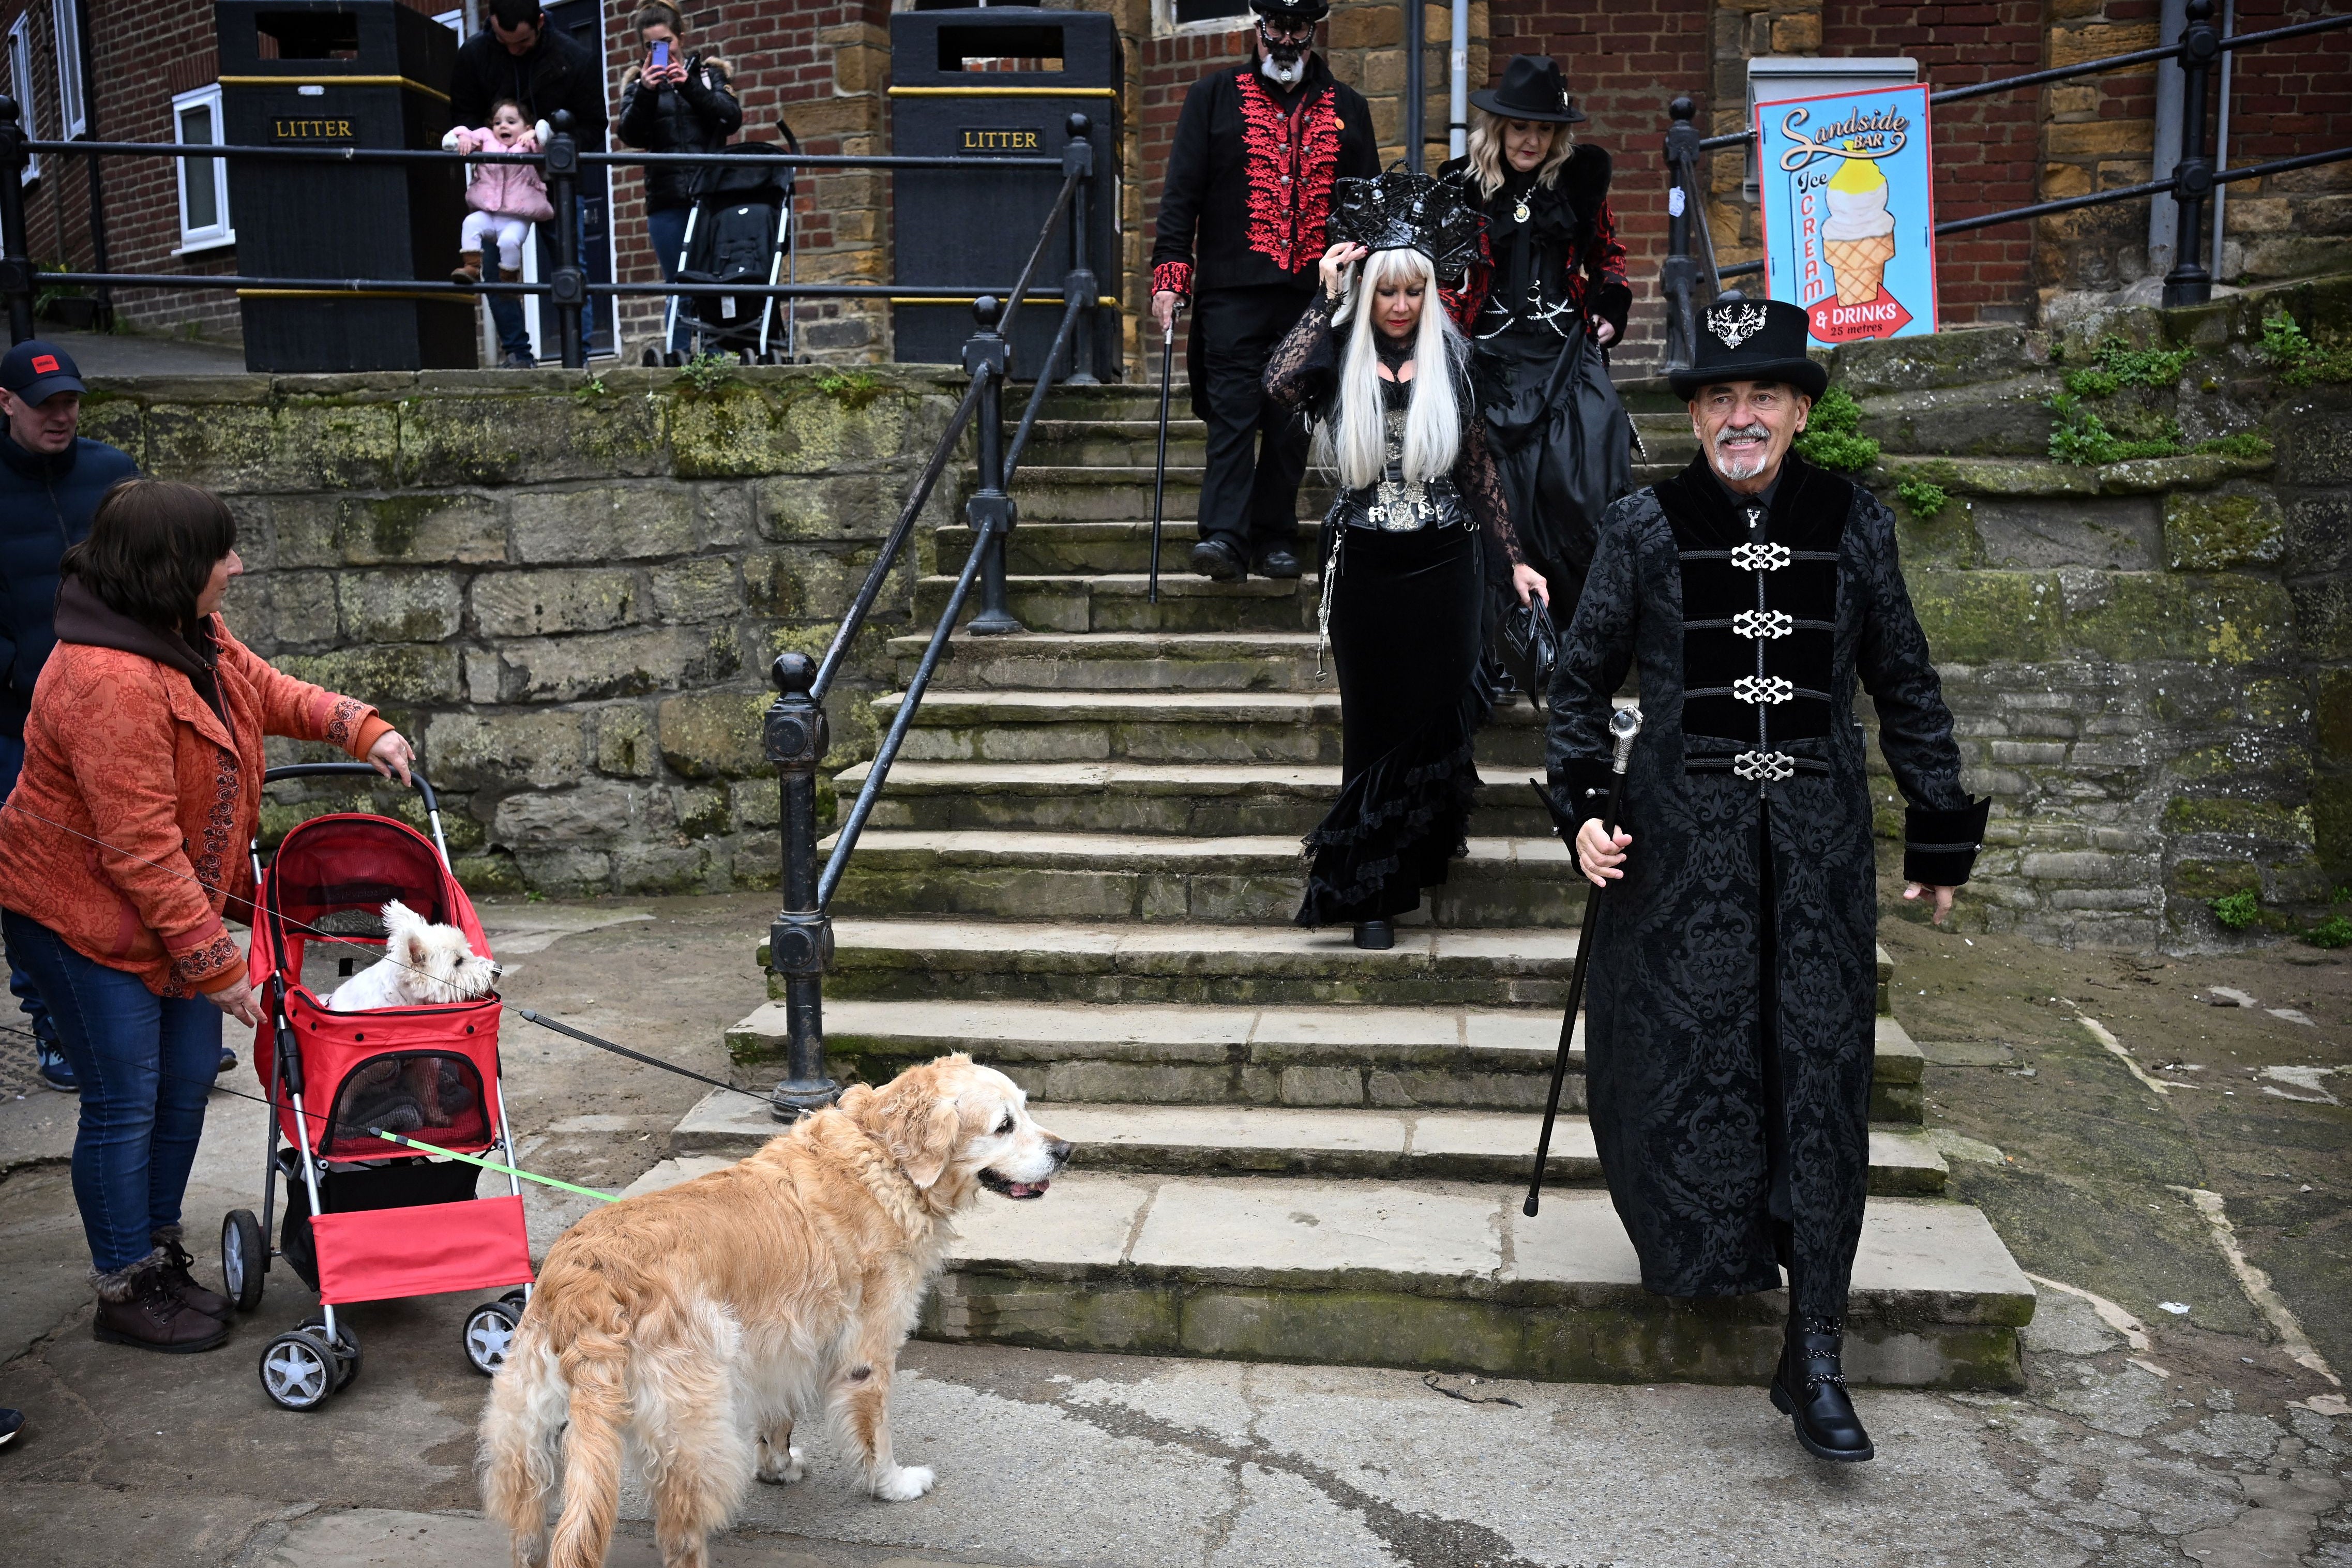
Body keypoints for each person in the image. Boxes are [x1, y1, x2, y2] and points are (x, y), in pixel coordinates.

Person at [1546, 297, 1987, 1463]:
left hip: (1817, 852)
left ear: (1799, 412)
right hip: (1674, 859)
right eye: (1719, 399)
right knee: (1682, 1061)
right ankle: (1711, 1251)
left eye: (1763, 397)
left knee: (1822, 1076)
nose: (1740, 417)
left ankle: (1817, 1349)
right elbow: (1577, 689)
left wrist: (1938, 828)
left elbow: (1905, 679)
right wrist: (1582, 811)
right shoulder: (1641, 527)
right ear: (1695, 416)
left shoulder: (1855, 523)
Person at [0, 479, 417, 1352]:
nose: (237, 565)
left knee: (187, 1073)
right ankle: (126, 1285)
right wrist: (220, 968)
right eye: (221, 552)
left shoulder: (188, 630)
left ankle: (157, 1250)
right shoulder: (105, 680)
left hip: (156, 908)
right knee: (125, 1096)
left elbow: (264, 689)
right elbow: (141, 851)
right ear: (171, 565)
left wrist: (359, 728)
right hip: (78, 918)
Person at [1264, 170, 1546, 951]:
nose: (1398, 305)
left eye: (1412, 291)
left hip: (1446, 561)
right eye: (1385, 290)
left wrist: (1515, 563)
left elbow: (1479, 472)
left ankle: (1412, 867)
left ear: (1430, 294)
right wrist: (1327, 299)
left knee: (1433, 717)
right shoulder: (1336, 360)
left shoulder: (1454, 366)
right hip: (1363, 566)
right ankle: (1371, 898)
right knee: (1372, 725)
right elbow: (1278, 383)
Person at [1150, 0, 1377, 584]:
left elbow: (1365, 208)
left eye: (1297, 28)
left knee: (1290, 421)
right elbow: (1181, 193)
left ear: (1313, 31)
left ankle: (1275, 535)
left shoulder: (1349, 107)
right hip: (1231, 289)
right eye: (1276, 27)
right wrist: (1171, 275)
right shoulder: (1212, 97)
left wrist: (1362, 281)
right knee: (1232, 412)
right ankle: (1224, 536)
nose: (1286, 40)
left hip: (1312, 295)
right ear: (1259, 28)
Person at [1439, 55, 1632, 619]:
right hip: (1489, 358)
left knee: (1590, 464)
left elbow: (1609, 258)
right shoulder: (1464, 187)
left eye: (1544, 130)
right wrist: (1447, 337)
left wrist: (1611, 307)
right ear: (1499, 128)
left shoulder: (1580, 183)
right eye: (1521, 127)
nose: (1532, 141)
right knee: (1499, 486)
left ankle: (1581, 618)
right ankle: (1511, 626)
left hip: (1563, 353)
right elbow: (1444, 276)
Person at [0, 340, 136, 1094]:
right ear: (6, 403)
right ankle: (56, 1028)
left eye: (71, 402)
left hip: (118, 711)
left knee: (137, 857)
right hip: (15, 722)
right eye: (45, 404)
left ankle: (145, 1024)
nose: (62, 416)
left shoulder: (113, 473)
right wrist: (17, 675)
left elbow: (155, 567)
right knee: (36, 879)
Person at [451, 0, 610, 368]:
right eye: (503, 41)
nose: (513, 50)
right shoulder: (474, 55)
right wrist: (477, 140)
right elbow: (462, 113)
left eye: (522, 42)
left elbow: (593, 125)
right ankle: (519, 355)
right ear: (491, 23)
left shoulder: (572, 57)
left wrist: (551, 146)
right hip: (497, 185)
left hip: (557, 183)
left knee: (570, 267)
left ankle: (578, 358)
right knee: (495, 270)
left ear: (540, 22)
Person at [617, 3, 743, 363]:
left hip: (712, 195)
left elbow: (731, 118)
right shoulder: (637, 86)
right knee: (679, 282)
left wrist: (689, 87)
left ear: (682, 38)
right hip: (667, 198)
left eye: (667, 41)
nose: (661, 51)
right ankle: (678, 358)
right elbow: (630, 134)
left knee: (714, 279)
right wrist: (646, 91)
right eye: (651, 46)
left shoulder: (711, 75)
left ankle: (716, 358)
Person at [444, 100, 554, 288]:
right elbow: (459, 137)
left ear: (526, 127)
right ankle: (472, 267)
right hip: (489, 213)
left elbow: (545, 144)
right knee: (470, 223)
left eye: (511, 122)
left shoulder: (528, 143)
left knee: (509, 241)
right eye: (497, 123)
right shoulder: (486, 139)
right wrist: (463, 137)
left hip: (518, 217)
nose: (503, 126)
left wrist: (535, 134)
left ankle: (509, 279)